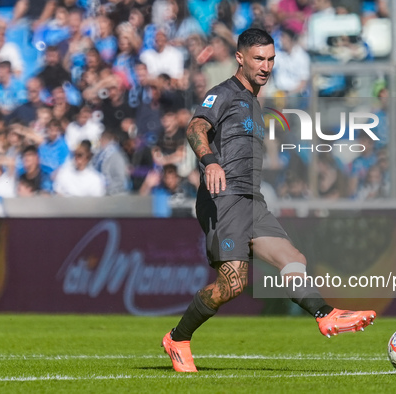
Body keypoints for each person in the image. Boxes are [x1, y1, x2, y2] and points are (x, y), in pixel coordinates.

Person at [161, 28, 376, 374]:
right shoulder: (224, 94)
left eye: (271, 59)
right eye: (258, 58)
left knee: (293, 258)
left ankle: (325, 314)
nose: (266, 65)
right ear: (240, 58)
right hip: (223, 199)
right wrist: (210, 161)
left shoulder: (255, 103)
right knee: (232, 284)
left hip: (252, 201)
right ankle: (178, 338)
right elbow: (195, 128)